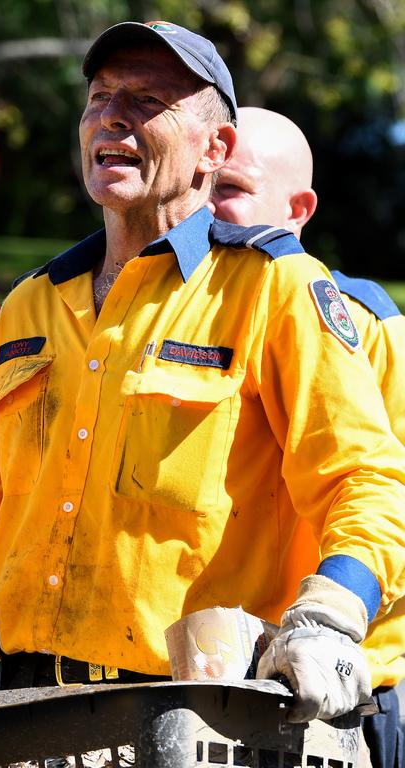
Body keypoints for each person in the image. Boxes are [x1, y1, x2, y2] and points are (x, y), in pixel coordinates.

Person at [0, 20, 405, 735]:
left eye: (147, 100)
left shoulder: (273, 289)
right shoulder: (34, 302)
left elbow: (367, 480)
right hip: (25, 716)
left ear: (213, 149)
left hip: (199, 721)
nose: (113, 117)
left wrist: (328, 617)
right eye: (99, 97)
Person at [210, 106, 405, 767]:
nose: (204, 205)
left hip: (346, 692)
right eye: (200, 182)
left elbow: (388, 502)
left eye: (228, 189)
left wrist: (327, 625)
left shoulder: (364, 324)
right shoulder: (173, 316)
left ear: (297, 209)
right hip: (214, 686)